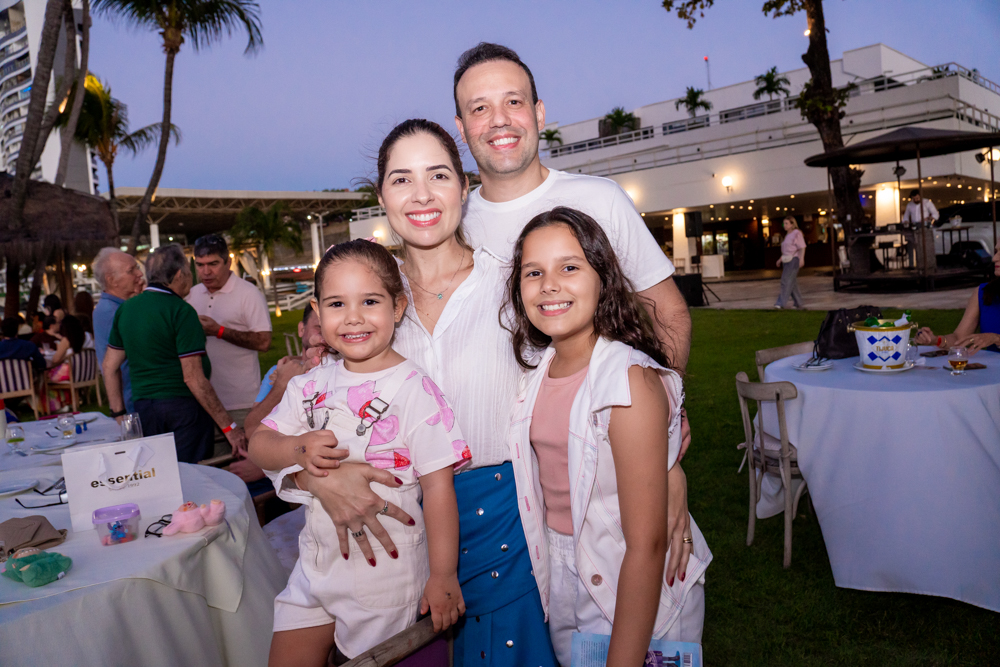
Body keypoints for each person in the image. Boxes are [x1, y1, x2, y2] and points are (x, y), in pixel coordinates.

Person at [296, 119, 560, 666]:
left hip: (504, 523)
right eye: (401, 179)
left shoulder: (515, 283)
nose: (421, 195)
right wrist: (315, 476)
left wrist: (664, 471)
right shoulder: (361, 297)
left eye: (437, 175)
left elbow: (590, 377)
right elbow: (287, 415)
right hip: (389, 534)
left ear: (464, 187)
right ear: (381, 196)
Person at [505, 208, 711, 666]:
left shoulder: (629, 382)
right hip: (562, 569)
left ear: (603, 278)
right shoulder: (535, 372)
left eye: (570, 267)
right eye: (533, 272)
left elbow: (647, 544)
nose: (549, 284)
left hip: (636, 577)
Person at [249, 239, 468, 665]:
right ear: (316, 309)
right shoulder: (308, 385)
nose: (353, 318)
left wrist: (443, 575)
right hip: (314, 567)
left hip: (384, 575)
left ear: (398, 306)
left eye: (369, 301)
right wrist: (296, 448)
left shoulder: (414, 389)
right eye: (336, 304)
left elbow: (439, 489)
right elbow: (260, 443)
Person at [452, 43, 692, 371]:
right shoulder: (453, 225)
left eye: (513, 101)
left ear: (539, 113)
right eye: (480, 108)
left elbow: (667, 309)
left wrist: (670, 399)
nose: (499, 120)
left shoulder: (600, 199)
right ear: (461, 128)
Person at [102, 244, 248, 464]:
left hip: (145, 409)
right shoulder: (180, 311)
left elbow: (109, 366)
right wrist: (229, 427)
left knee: (160, 472)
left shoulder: (127, 309)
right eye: (190, 271)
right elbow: (193, 378)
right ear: (179, 274)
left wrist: (119, 413)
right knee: (192, 475)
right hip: (183, 409)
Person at [186, 234, 272, 440]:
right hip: (202, 401)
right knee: (212, 464)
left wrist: (220, 331)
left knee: (245, 465)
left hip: (240, 402)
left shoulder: (248, 293)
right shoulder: (191, 294)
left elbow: (264, 341)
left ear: (229, 262)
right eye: (200, 265)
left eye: (213, 264)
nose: (206, 272)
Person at [245, 303, 323, 440]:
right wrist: (282, 385)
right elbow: (251, 429)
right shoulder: (279, 370)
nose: (325, 335)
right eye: (319, 328)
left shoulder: (345, 370)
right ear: (301, 329)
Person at [915, 240, 1000, 353]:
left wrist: (996, 339)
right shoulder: (983, 293)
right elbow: (959, 338)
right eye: (996, 251)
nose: (994, 258)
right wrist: (935, 340)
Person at [92, 248, 146, 415]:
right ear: (112, 280)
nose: (139, 274)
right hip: (132, 403)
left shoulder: (121, 307)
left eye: (137, 267)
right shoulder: (111, 312)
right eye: (131, 270)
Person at [774, 216, 806, 309]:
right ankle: (799, 303)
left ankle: (780, 303)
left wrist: (801, 259)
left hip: (794, 260)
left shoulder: (797, 233)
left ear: (792, 224)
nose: (785, 225)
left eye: (787, 223)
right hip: (786, 260)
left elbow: (802, 247)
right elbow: (786, 250)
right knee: (792, 282)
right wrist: (780, 259)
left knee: (785, 281)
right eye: (784, 223)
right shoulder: (787, 235)